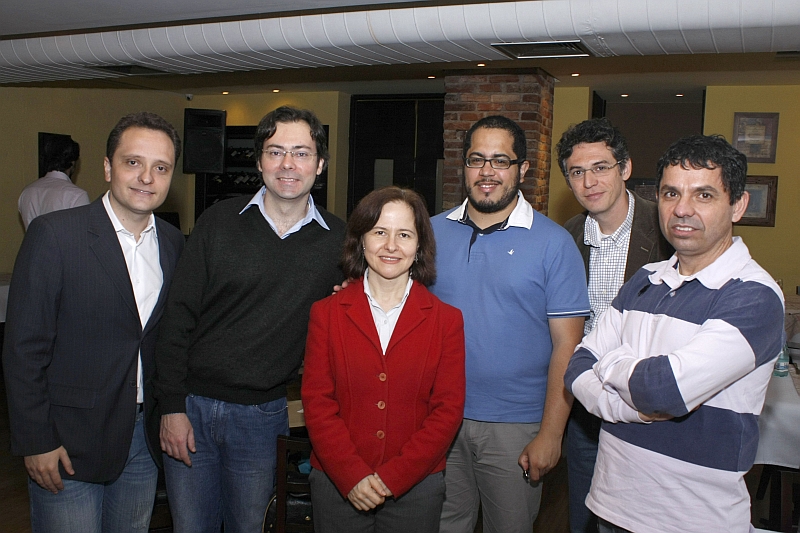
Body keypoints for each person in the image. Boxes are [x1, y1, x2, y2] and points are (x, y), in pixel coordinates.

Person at [565, 134, 785, 533]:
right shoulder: (645, 278)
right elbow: (577, 366)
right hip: (610, 506)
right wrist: (627, 407)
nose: (682, 210)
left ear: (737, 205)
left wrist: (612, 362)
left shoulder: (754, 296)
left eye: (703, 195)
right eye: (670, 193)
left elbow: (665, 391)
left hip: (691, 519)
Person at [154, 105, 346, 533]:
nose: (288, 164)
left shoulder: (340, 242)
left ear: (320, 163)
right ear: (259, 160)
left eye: (301, 152)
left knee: (250, 527)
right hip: (192, 408)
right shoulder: (218, 222)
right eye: (276, 151)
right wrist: (171, 407)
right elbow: (177, 318)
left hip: (262, 418)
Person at [3, 112, 185, 532]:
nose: (146, 177)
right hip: (67, 440)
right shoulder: (55, 235)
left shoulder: (174, 244)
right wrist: (36, 440)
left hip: (142, 439)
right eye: (132, 162)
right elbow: (23, 349)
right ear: (107, 167)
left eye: (161, 167)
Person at [431, 115, 590, 533]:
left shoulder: (555, 244)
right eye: (476, 159)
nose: (487, 172)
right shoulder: (427, 234)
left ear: (522, 169)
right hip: (437, 417)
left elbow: (567, 347)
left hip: (516, 426)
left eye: (500, 161)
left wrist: (551, 434)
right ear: (462, 166)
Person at [302, 186, 466, 533]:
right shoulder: (326, 314)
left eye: (404, 234)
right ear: (361, 240)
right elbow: (317, 402)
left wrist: (394, 477)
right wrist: (352, 475)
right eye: (380, 232)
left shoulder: (446, 320)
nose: (391, 246)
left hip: (416, 488)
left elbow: (447, 410)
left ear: (419, 246)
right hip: (337, 485)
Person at [556, 118, 672, 533]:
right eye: (577, 171)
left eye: (601, 167)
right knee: (585, 512)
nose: (589, 181)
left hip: (650, 403)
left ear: (624, 168)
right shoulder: (562, 239)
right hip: (586, 401)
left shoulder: (666, 230)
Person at [18, 134, 90, 230]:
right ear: (73, 163)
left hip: (33, 244)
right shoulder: (76, 195)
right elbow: (83, 237)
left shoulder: (27, 192)